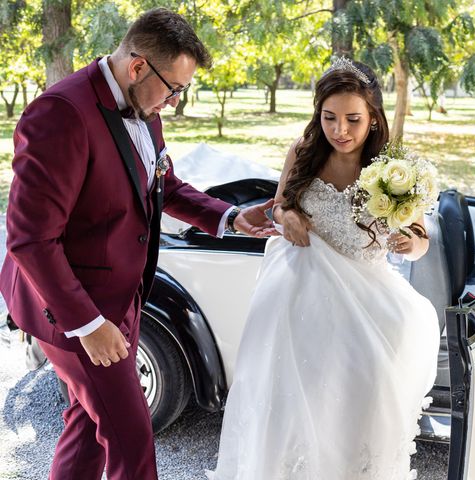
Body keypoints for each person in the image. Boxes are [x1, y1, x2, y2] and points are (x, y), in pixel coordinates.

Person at [0, 8, 274, 480]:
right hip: (74, 311)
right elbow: (30, 238)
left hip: (123, 300)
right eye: (175, 88)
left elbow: (162, 183)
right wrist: (87, 324)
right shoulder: (61, 113)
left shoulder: (144, 107)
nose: (175, 101)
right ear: (139, 66)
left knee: (86, 431)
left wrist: (229, 217)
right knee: (132, 442)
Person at [209, 58, 440, 480]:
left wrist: (412, 242)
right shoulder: (303, 151)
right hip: (298, 296)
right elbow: (280, 204)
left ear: (373, 118)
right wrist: (288, 216)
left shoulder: (393, 169)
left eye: (353, 119)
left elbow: (421, 239)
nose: (340, 130)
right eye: (329, 118)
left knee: (352, 410)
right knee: (291, 405)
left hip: (364, 302)